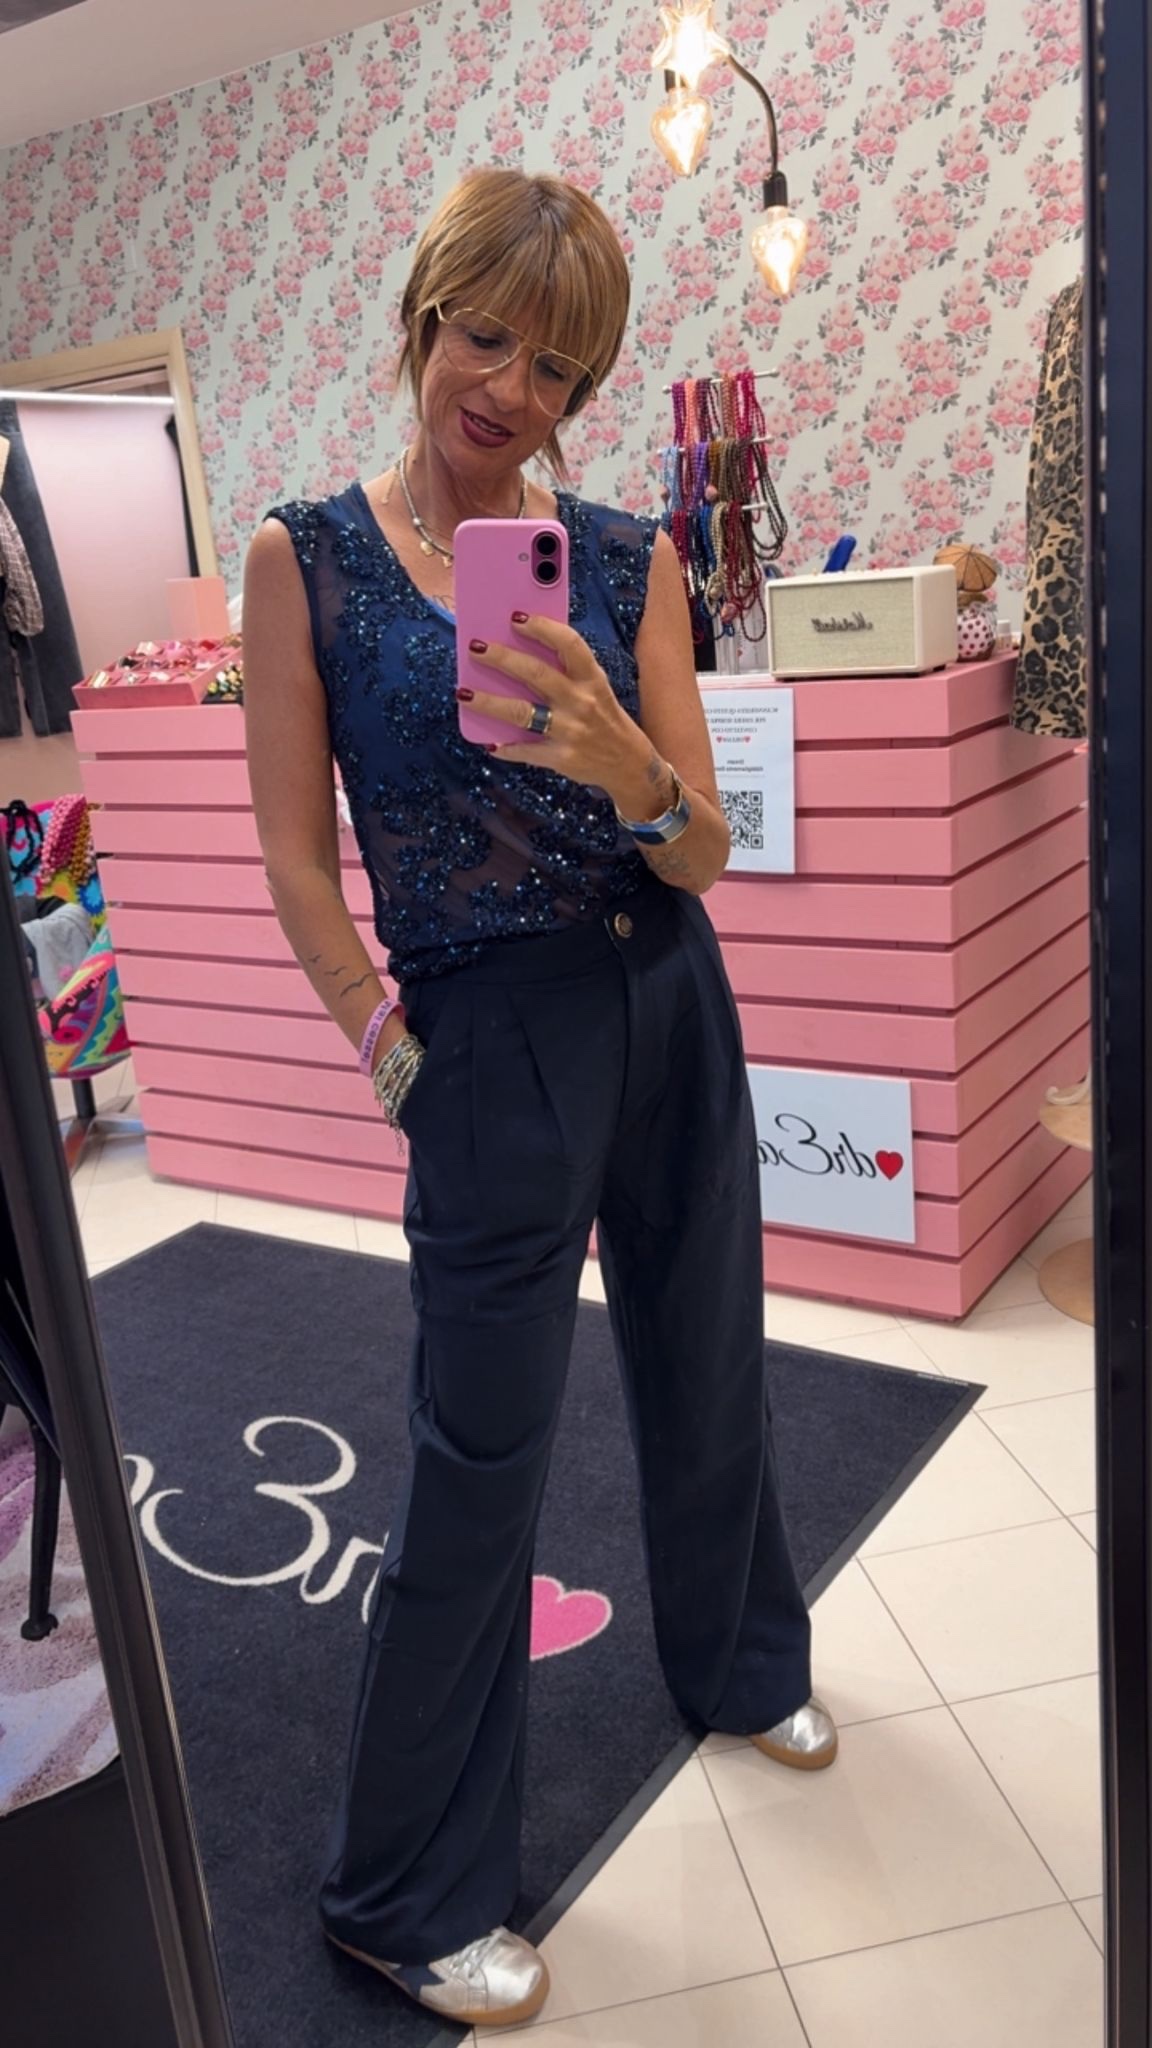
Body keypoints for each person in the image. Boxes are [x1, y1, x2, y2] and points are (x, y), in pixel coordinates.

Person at [243, 166, 836, 2033]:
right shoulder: (304, 559)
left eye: (558, 365)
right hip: (486, 1038)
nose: (510, 389)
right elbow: (292, 850)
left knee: (708, 1354)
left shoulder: (625, 556)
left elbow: (704, 852)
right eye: (487, 337)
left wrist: (623, 758)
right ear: (426, 316)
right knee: (478, 1451)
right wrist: (382, 1040)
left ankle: (739, 1666)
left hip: (664, 996)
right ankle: (398, 1895)